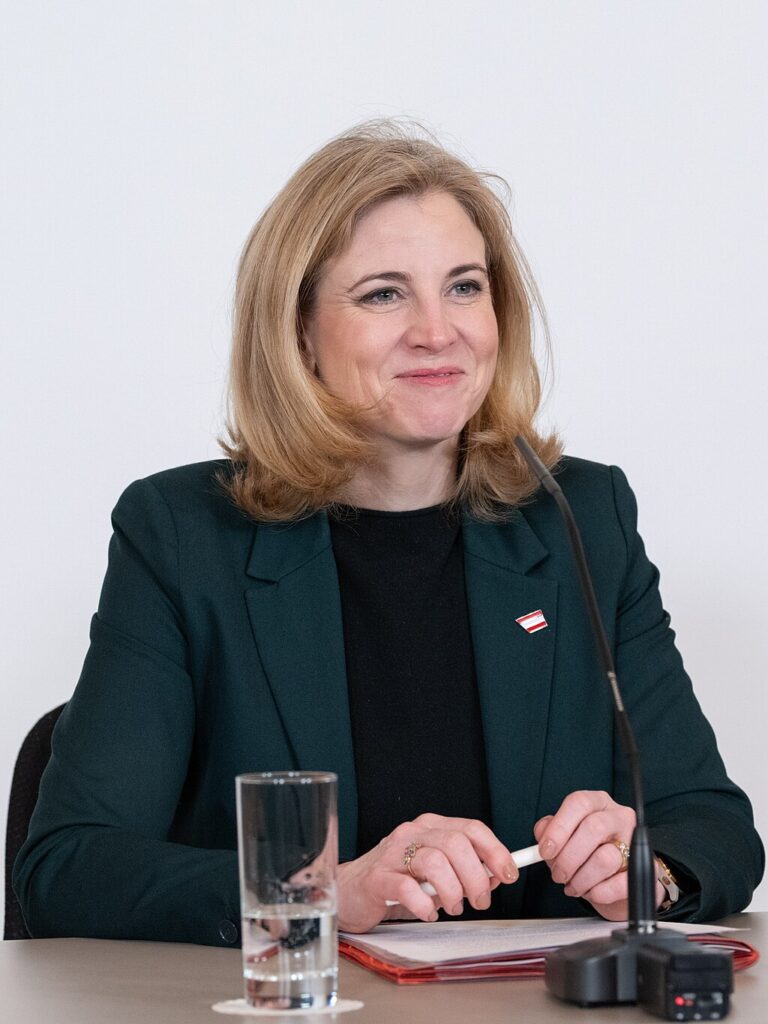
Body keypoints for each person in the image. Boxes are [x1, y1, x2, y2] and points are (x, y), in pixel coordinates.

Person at [14, 121, 763, 945]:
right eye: (383, 294)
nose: (438, 331)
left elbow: (712, 826)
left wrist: (646, 871)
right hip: (299, 1000)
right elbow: (67, 869)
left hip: (532, 1003)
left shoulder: (582, 516)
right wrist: (323, 891)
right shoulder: (183, 537)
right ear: (300, 330)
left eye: (464, 287)